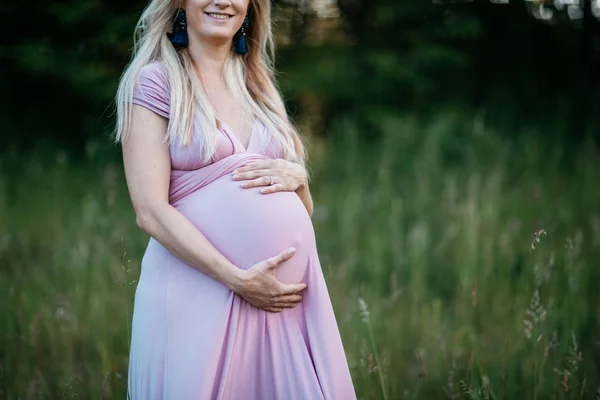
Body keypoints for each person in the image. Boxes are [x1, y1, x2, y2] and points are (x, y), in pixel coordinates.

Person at [115, 0, 355, 398]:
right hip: (200, 294)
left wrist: (300, 181)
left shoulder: (257, 87)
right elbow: (150, 212)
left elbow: (301, 212)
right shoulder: (155, 82)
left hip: (279, 308)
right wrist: (237, 279)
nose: (223, 1)